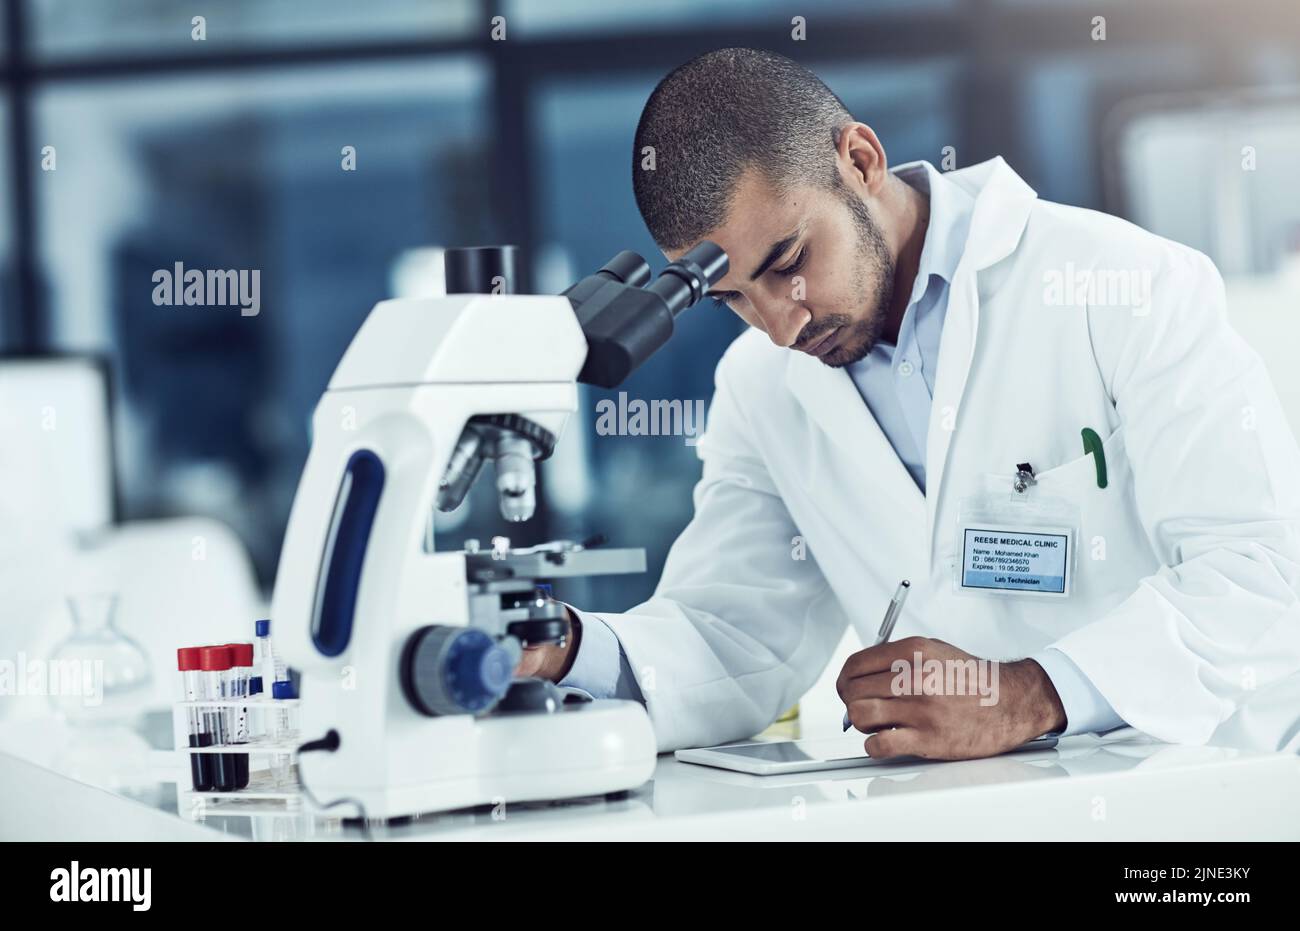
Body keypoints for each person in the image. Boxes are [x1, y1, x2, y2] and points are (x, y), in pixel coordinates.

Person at [516, 48, 1300, 759]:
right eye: (732, 299)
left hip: (1206, 799)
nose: (781, 324)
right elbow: (729, 631)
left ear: (859, 160)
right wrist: (562, 643)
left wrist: (1030, 693)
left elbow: (1260, 571)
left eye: (790, 260)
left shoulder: (1124, 286)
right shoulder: (760, 388)